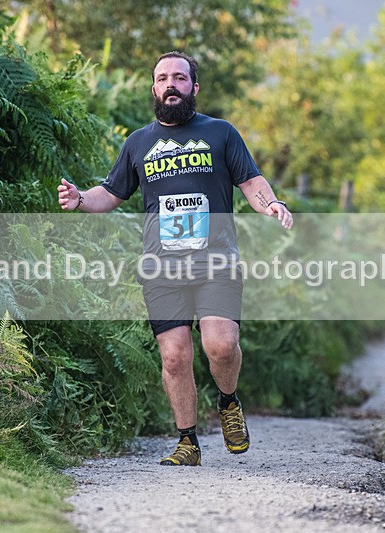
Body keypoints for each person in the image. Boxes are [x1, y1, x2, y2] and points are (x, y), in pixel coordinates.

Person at [58, 51, 292, 466]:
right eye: (163, 78)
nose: (171, 84)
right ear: (154, 88)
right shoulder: (138, 142)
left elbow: (251, 181)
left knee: (221, 345)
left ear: (194, 87)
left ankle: (228, 401)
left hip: (216, 261)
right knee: (174, 355)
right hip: (161, 266)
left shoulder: (220, 133)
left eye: (180, 78)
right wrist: (79, 199)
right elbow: (110, 194)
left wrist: (271, 203)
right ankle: (187, 441)